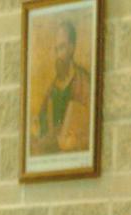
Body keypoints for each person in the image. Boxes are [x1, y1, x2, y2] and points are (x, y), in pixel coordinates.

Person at [30, 20, 91, 155]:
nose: (58, 55)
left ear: (72, 48)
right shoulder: (53, 85)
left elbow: (86, 123)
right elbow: (42, 119)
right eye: (57, 49)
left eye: (62, 48)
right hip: (52, 150)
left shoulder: (83, 80)